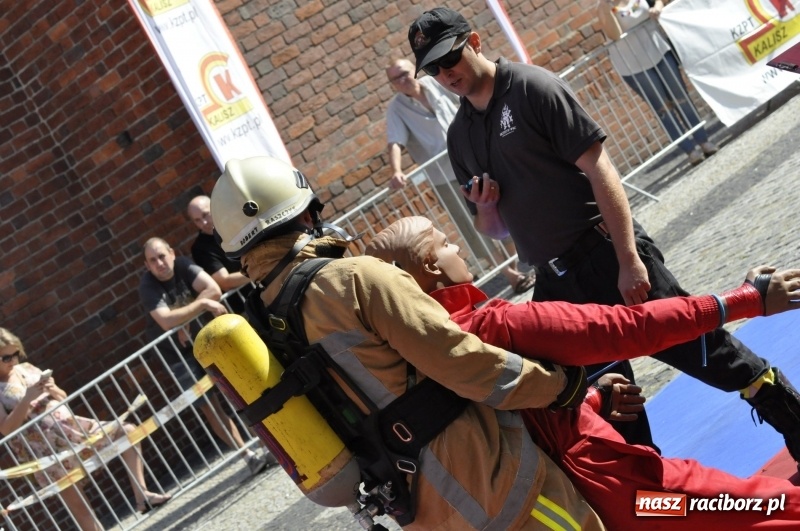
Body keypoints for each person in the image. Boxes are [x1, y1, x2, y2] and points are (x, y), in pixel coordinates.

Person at [410, 6, 800, 459]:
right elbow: (494, 230)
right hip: (557, 284)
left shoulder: (534, 88)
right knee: (614, 405)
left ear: (474, 41)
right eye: (434, 68)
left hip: (605, 253)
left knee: (709, 355)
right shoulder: (459, 136)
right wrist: (486, 208)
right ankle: (656, 499)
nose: (445, 73)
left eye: (450, 57)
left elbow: (601, 170)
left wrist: (629, 259)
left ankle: (790, 417)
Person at [210, 155, 605, 530]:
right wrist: (558, 386)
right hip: (500, 489)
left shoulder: (263, 325)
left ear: (239, 252)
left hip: (421, 510)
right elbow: (464, 361)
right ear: (308, 213)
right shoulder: (356, 279)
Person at [364, 215, 800, 529]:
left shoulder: (414, 358)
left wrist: (589, 399)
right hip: (621, 489)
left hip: (561, 496)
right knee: (772, 510)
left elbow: (504, 419)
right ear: (431, 267)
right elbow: (628, 328)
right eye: (445, 242)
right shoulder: (489, 325)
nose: (458, 247)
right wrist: (745, 299)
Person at [385, 57, 535, 294]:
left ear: (414, 70)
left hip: (471, 157)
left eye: (404, 73)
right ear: (392, 84)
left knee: (500, 209)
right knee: (471, 224)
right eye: (396, 78)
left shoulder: (436, 83)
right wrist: (396, 170)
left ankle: (513, 266)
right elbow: (394, 142)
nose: (402, 80)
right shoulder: (396, 108)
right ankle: (511, 275)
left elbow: (468, 102)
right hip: (443, 175)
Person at [0, 328, 172, 530]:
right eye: (6, 357)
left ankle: (142, 495)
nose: (13, 360)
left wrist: (52, 389)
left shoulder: (26, 368)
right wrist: (28, 399)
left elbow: (63, 397)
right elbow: (6, 428)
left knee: (127, 431)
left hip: (70, 427)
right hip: (42, 448)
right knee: (78, 505)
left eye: (16, 354)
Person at [138, 237, 271, 476]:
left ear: (171, 252)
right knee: (210, 406)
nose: (159, 263)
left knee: (239, 391)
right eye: (152, 260)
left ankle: (267, 444)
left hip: (206, 341)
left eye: (161, 256)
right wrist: (202, 306)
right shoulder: (148, 286)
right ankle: (247, 455)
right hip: (178, 355)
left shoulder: (184, 265)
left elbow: (214, 289)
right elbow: (166, 321)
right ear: (147, 265)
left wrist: (187, 314)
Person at [597, 0, 718, 165]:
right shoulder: (605, 7)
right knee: (663, 108)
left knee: (681, 97)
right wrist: (605, 6)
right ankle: (690, 150)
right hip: (633, 66)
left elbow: (657, 2)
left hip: (659, 50)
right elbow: (615, 34)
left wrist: (657, 9)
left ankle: (703, 140)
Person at [187, 195, 253, 313]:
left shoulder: (236, 224)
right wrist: (259, 270)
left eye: (205, 214)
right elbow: (224, 282)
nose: (203, 222)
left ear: (214, 208)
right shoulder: (200, 248)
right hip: (247, 305)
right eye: (197, 220)